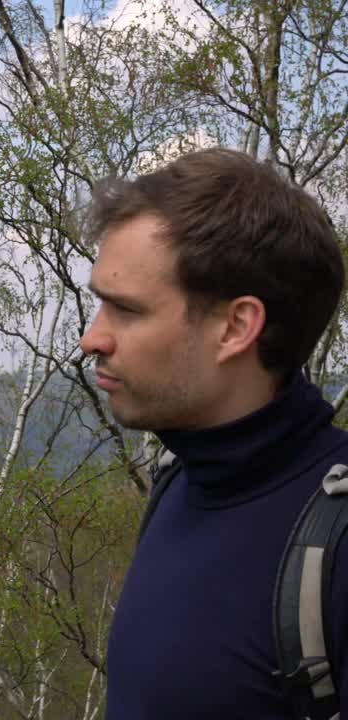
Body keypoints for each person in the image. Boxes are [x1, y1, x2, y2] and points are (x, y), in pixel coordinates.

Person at [80, 147, 348, 718]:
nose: (92, 339)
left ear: (236, 327)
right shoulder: (177, 486)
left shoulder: (337, 546)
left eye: (125, 310)